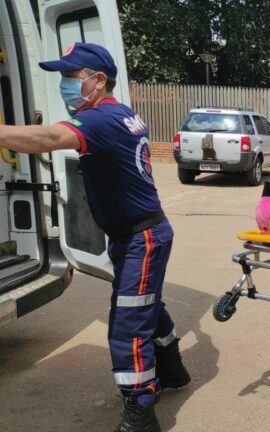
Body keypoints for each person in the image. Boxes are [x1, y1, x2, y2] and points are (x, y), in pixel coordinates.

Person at [0, 42, 190, 432]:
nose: (64, 87)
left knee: (127, 323)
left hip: (142, 237)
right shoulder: (120, 114)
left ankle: (141, 411)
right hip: (139, 233)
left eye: (70, 78)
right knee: (144, 305)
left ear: (98, 80)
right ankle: (172, 368)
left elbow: (49, 140)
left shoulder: (101, 120)